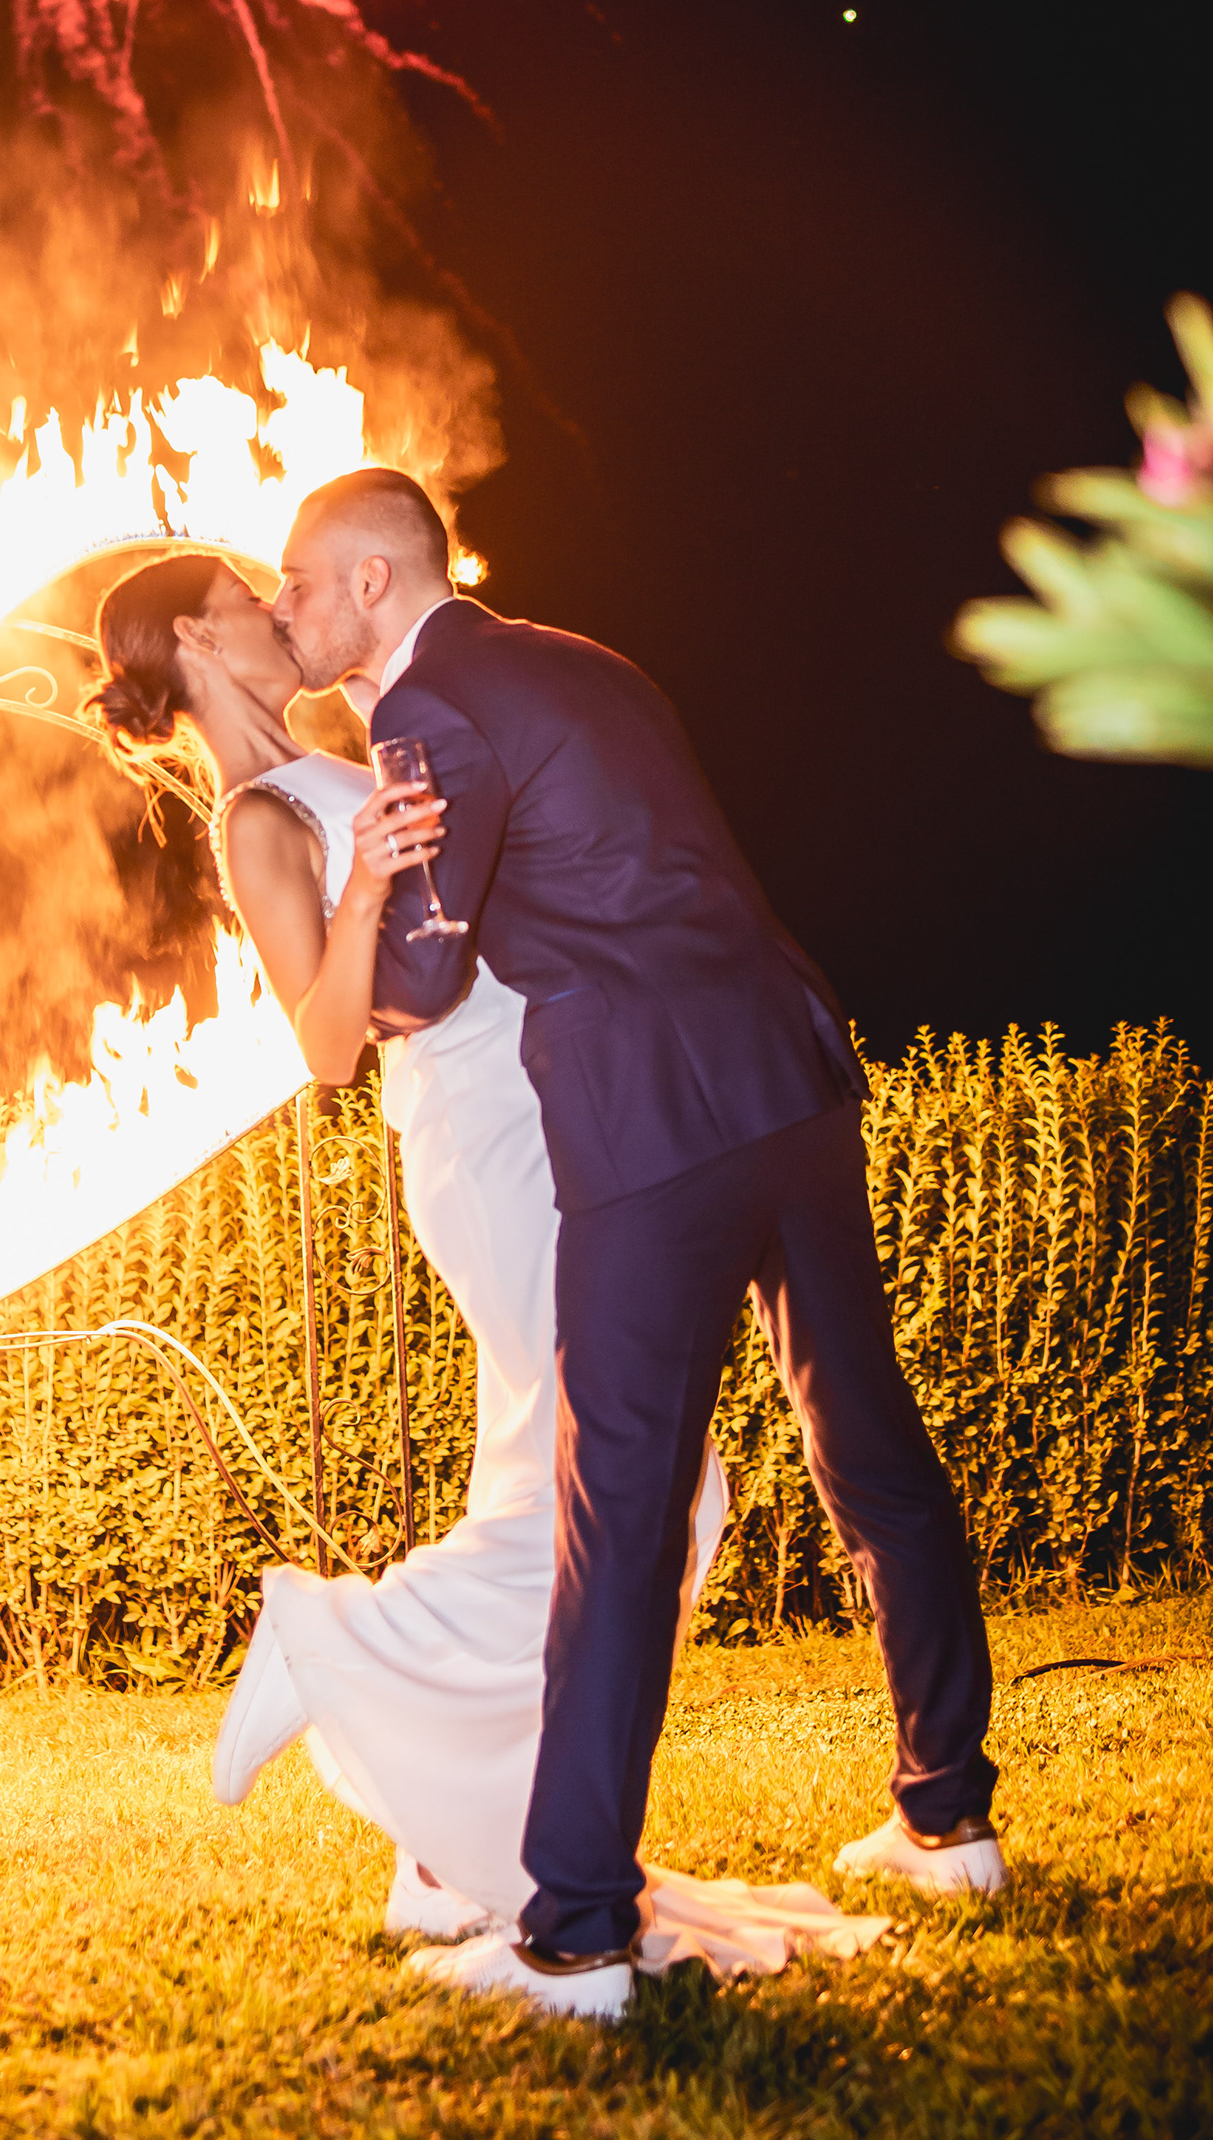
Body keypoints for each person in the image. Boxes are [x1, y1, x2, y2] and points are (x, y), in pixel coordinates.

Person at [270, 468, 1002, 2022]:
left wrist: (373, 889)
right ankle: (950, 1818)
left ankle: (580, 1936)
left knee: (616, 1519)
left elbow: (414, 993)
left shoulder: (431, 711)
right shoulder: (584, 657)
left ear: (380, 586)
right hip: (790, 1081)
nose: (286, 611)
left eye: (302, 584)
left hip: (651, 1127)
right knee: (867, 1440)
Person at [85, 550, 730, 1942]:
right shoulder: (255, 817)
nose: (282, 607)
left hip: (536, 1091)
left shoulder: (336, 748)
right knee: (648, 1475)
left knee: (565, 1494)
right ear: (200, 635)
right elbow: (324, 1050)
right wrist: (370, 879)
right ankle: (325, 1643)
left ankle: (442, 1860)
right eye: (258, 595)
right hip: (477, 1136)